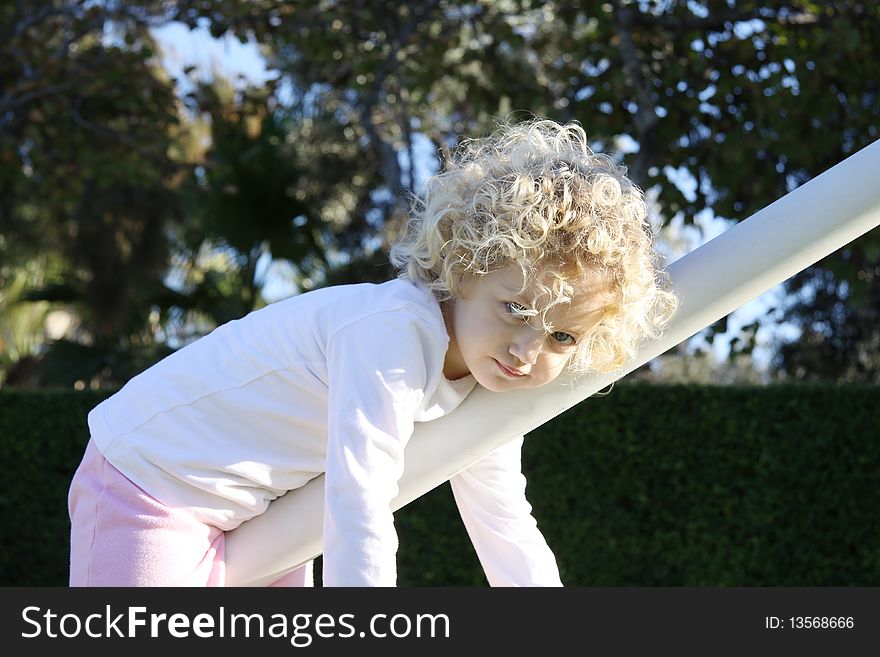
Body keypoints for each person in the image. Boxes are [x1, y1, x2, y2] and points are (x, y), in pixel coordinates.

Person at [68, 118, 677, 587]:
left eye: (561, 336)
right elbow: (360, 497)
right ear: (464, 269)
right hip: (151, 482)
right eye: (516, 309)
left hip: (258, 518)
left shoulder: (486, 378)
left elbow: (503, 519)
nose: (527, 348)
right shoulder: (391, 332)